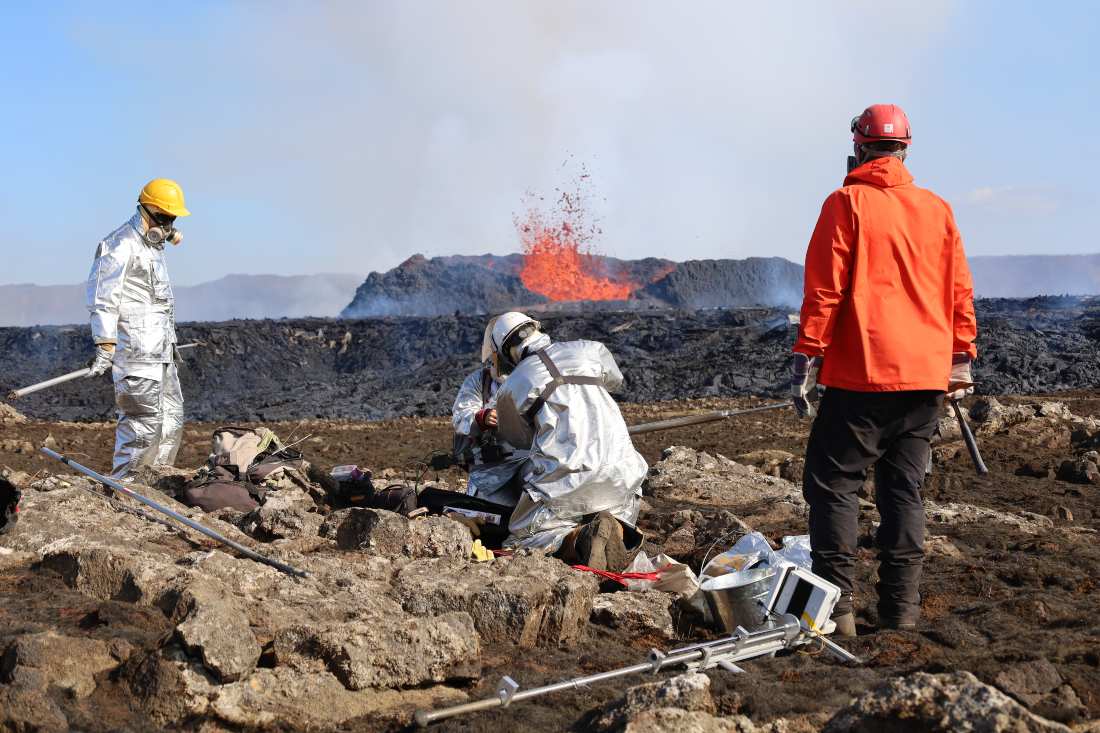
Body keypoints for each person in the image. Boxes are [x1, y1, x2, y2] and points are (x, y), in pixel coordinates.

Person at [791, 104, 977, 636]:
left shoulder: (845, 203)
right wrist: (961, 357)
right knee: (903, 492)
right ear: (905, 149)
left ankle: (837, 612)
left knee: (833, 486)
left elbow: (824, 290)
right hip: (925, 381)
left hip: (862, 377)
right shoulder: (937, 208)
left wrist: (806, 356)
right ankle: (901, 612)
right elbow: (959, 289)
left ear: (858, 146)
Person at [490, 312, 647, 571]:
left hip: (566, 483)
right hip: (623, 476)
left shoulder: (514, 383)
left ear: (507, 352)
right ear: (536, 328)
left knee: (519, 539)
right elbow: (615, 381)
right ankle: (617, 529)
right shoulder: (590, 349)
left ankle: (577, 539)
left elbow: (518, 439)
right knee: (613, 507)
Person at [87, 179, 191, 479]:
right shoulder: (119, 245)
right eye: (164, 217)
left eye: (172, 219)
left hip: (162, 353)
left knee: (170, 420)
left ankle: (157, 485)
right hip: (136, 356)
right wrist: (105, 344)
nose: (168, 225)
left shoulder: (153, 247)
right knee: (141, 428)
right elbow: (102, 297)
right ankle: (127, 491)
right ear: (146, 210)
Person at [450, 316, 528, 505]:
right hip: (491, 474)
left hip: (532, 467)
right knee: (491, 513)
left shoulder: (537, 379)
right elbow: (461, 416)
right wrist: (481, 418)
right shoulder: (480, 382)